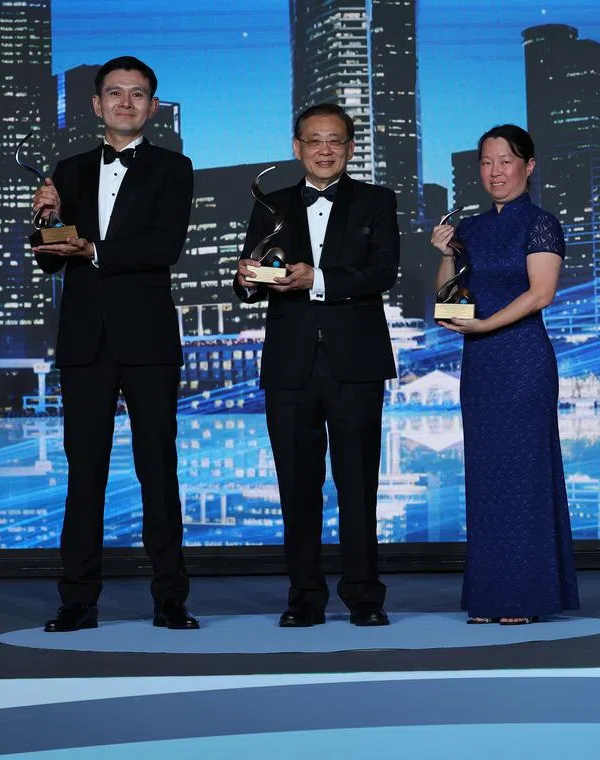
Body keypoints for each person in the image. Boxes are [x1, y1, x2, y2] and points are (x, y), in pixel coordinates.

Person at [31, 56, 198, 632]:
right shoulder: (69, 169)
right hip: (83, 341)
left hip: (148, 339)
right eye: (114, 93)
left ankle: (170, 600)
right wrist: (48, 222)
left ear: (151, 105)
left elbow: (164, 246)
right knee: (85, 474)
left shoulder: (174, 168)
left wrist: (91, 249)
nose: (126, 103)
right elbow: (52, 259)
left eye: (137, 94)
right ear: (97, 104)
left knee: (158, 468)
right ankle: (77, 601)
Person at [233, 103, 399, 627]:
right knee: (296, 488)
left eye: (335, 141)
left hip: (356, 360)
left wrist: (317, 280)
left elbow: (382, 273)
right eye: (314, 140)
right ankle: (304, 597)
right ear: (297, 147)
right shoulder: (271, 204)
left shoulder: (376, 201)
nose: (324, 149)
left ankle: (364, 598)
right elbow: (252, 282)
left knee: (358, 486)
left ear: (350, 149)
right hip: (289, 364)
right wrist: (245, 279)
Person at [429, 124, 579, 625]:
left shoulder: (541, 224)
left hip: (521, 359)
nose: (496, 171)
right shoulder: (469, 229)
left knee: (523, 476)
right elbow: (447, 303)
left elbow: (542, 293)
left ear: (529, 166)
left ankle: (524, 596)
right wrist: (447, 253)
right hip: (481, 364)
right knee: (487, 477)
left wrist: (487, 324)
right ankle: (491, 595)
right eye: (487, 162)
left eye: (506, 161)